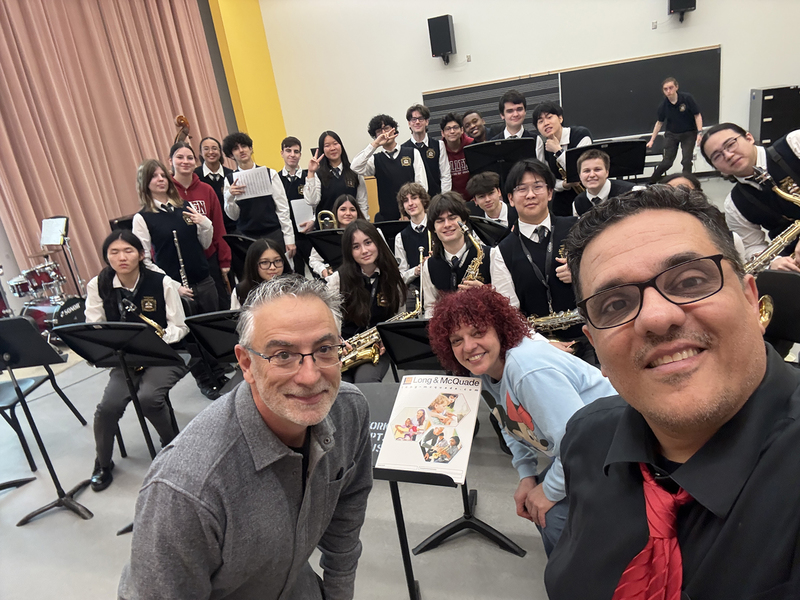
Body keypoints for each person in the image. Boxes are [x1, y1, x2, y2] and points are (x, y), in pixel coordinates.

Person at [545, 184, 800, 599]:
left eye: (691, 280)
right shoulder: (588, 437)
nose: (658, 317)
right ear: (596, 347)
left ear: (752, 299)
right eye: (615, 304)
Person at [118, 275, 372, 599]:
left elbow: (348, 511)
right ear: (246, 363)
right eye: (283, 355)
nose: (310, 376)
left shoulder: (349, 410)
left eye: (324, 349)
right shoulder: (185, 490)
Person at [428, 286, 615, 555]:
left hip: (613, 447)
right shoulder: (485, 371)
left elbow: (580, 443)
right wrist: (527, 475)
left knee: (554, 520)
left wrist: (549, 491)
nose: (468, 347)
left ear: (500, 330)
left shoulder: (526, 367)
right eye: (456, 340)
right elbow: (509, 425)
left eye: (478, 332)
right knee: (537, 505)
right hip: (585, 448)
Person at [85, 230, 189, 492]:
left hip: (164, 355)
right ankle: (103, 463)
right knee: (107, 407)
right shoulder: (98, 285)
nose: (122, 257)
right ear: (106, 257)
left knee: (148, 398)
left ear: (141, 254)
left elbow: (180, 326)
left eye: (128, 251)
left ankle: (173, 447)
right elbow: (94, 325)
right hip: (126, 358)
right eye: (114, 252)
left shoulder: (162, 282)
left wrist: (157, 340)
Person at [490, 159, 594, 363]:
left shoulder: (578, 228)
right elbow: (509, 313)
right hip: (536, 348)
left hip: (590, 336)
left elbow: (607, 276)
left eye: (538, 186)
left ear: (549, 193)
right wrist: (544, 344)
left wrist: (581, 273)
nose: (530, 195)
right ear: (510, 199)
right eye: (522, 189)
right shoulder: (500, 252)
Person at [700, 123, 800, 271]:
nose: (728, 155)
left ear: (749, 137)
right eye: (717, 156)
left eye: (730, 145)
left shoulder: (794, 142)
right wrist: (774, 262)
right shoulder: (733, 204)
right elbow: (751, 246)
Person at [325, 220, 407, 383]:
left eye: (368, 242)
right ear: (349, 252)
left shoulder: (394, 278)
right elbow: (329, 320)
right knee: (340, 386)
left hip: (378, 347)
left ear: (377, 242)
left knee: (366, 381)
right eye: (356, 247)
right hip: (344, 348)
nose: (364, 251)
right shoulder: (337, 280)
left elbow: (399, 317)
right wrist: (337, 342)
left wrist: (388, 338)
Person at [170, 142, 233, 310]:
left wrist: (224, 260)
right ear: (170, 161)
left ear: (195, 161)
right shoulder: (165, 192)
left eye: (189, 158)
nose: (185, 161)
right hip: (178, 262)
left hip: (208, 258)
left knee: (220, 306)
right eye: (179, 157)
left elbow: (219, 227)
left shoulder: (206, 190)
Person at [221, 132, 296, 258]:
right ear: (231, 155)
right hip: (247, 236)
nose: (241, 150)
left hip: (273, 233)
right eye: (235, 148)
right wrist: (229, 196)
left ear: (250, 148)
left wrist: (289, 239)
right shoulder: (229, 179)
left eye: (244, 146)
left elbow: (282, 208)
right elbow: (233, 216)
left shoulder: (270, 173)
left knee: (281, 272)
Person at [421, 192, 491, 318]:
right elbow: (430, 309)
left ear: (463, 221)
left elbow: (510, 302)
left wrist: (486, 293)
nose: (447, 224)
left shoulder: (491, 255)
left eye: (452, 218)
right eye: (440, 220)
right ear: (434, 229)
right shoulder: (428, 266)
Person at [351, 114, 427, 221]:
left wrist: (412, 213)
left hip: (411, 215)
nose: (384, 133)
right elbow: (355, 167)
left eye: (386, 128)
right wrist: (375, 144)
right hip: (387, 217)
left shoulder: (412, 153)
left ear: (394, 130)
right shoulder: (375, 160)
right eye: (379, 131)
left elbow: (422, 185)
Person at [532, 101, 593, 217]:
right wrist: (564, 185)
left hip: (588, 194)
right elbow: (547, 180)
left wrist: (558, 151)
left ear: (560, 118)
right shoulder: (543, 148)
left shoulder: (581, 135)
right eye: (540, 121)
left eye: (549, 117)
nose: (546, 123)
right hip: (562, 199)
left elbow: (581, 169)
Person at [304, 130, 369, 223]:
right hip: (327, 228)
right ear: (322, 150)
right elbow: (312, 202)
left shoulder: (354, 171)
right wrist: (311, 173)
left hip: (351, 227)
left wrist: (365, 224)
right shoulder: (318, 175)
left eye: (335, 143)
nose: (332, 148)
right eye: (327, 146)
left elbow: (362, 203)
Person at [646, 77, 703, 183]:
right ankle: (650, 183)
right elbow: (659, 123)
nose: (668, 91)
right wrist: (652, 140)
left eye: (671, 88)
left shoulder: (687, 98)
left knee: (686, 160)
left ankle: (687, 183)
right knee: (667, 162)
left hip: (689, 133)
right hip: (672, 134)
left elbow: (697, 115)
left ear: (676, 87)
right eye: (665, 89)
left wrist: (700, 132)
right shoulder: (663, 106)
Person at [309, 194, 368, 279]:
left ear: (358, 212)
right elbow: (314, 259)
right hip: (338, 279)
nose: (348, 213)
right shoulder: (327, 235)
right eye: (343, 209)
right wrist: (323, 270)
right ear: (336, 212)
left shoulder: (369, 232)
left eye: (352, 210)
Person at [277, 136, 313, 275]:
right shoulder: (276, 179)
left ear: (300, 155)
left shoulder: (309, 177)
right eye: (288, 150)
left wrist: (313, 221)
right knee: (296, 276)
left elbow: (318, 203)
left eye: (296, 151)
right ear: (282, 153)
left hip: (309, 234)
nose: (292, 154)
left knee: (318, 274)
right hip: (289, 237)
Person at [401, 104, 451, 196]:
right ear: (409, 123)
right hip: (415, 202)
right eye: (413, 119)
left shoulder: (439, 145)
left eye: (421, 119)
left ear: (427, 122)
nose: (417, 122)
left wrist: (444, 199)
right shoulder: (403, 149)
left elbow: (445, 175)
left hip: (436, 200)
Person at [231, 238, 293, 310]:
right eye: (264, 262)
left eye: (277, 261)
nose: (272, 267)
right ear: (253, 264)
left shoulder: (294, 286)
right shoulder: (241, 291)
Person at [572, 149, 637, 216]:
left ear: (607, 172)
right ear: (580, 175)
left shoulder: (632, 192)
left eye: (597, 170)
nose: (592, 175)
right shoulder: (578, 204)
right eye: (586, 171)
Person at [195, 136, 236, 234]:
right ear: (201, 153)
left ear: (220, 152)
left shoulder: (231, 175)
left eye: (214, 148)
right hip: (206, 230)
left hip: (233, 228)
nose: (211, 152)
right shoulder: (194, 176)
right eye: (206, 149)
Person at [394, 182, 431, 289]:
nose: (410, 203)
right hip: (416, 287)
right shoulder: (400, 237)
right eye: (405, 201)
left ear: (423, 200)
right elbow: (401, 276)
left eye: (414, 198)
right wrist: (416, 270)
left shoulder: (437, 227)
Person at [440, 113, 474, 199]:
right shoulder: (439, 150)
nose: (452, 131)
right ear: (443, 133)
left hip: (474, 198)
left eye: (455, 127)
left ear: (462, 130)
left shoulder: (472, 145)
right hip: (453, 200)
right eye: (448, 129)